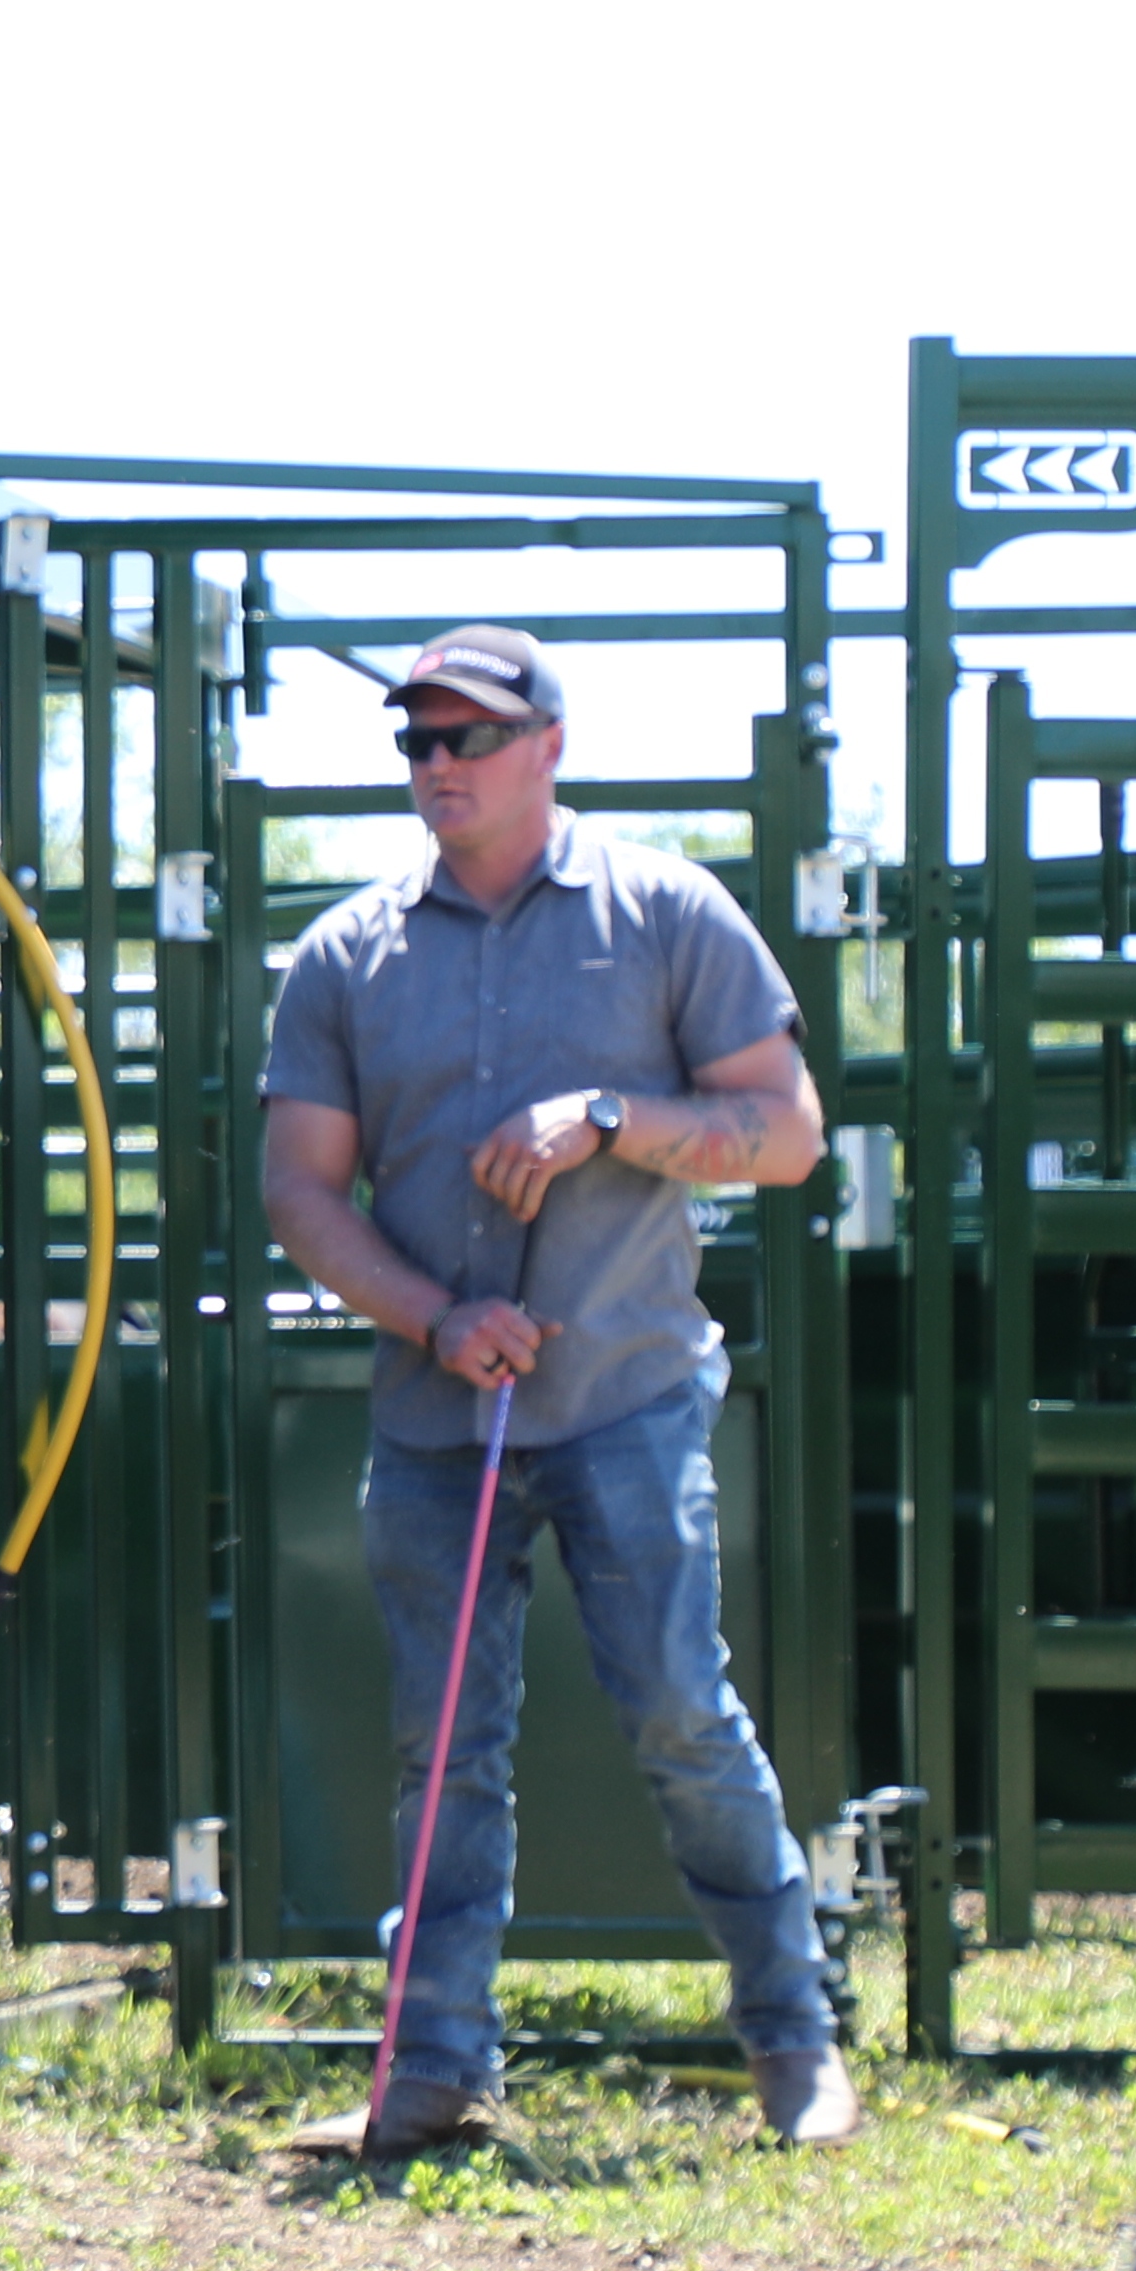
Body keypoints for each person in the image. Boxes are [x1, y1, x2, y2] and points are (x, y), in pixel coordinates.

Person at [252, 625, 849, 2152]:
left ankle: (795, 2045)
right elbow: (303, 1196)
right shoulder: (344, 954)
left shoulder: (667, 912)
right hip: (435, 1413)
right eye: (416, 743)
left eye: (466, 738)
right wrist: (439, 1318)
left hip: (630, 1400)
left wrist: (608, 1115)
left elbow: (786, 1134)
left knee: (677, 1714)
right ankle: (434, 2070)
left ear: (548, 749)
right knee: (443, 1745)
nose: (436, 766)